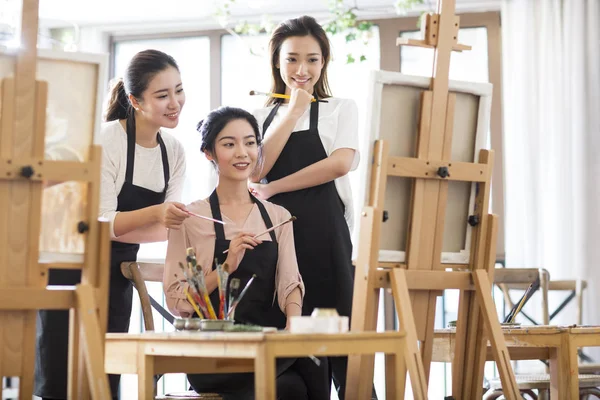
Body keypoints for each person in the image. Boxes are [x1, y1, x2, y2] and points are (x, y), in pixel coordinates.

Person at [34, 49, 189, 400]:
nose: (175, 102)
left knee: (105, 381)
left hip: (118, 272)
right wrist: (151, 216)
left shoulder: (174, 150)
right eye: (162, 95)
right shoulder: (108, 139)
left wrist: (125, 224)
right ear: (134, 100)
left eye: (178, 90)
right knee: (62, 380)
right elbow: (101, 221)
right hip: (72, 270)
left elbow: (168, 227)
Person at [164, 106, 330, 400]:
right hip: (213, 350)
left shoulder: (278, 216)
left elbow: (289, 282)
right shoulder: (191, 218)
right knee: (292, 387)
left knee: (314, 359)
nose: (242, 153)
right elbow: (179, 302)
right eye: (229, 144)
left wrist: (293, 324)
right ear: (209, 153)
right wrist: (227, 266)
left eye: (250, 142)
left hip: (266, 344)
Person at [249, 15, 361, 399]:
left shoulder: (341, 107)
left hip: (326, 236)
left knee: (343, 344)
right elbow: (256, 167)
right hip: (277, 241)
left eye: (312, 59)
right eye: (292, 59)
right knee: (291, 347)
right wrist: (293, 111)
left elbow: (339, 164)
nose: (302, 69)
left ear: (324, 62)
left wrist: (275, 186)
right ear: (277, 62)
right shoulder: (261, 115)